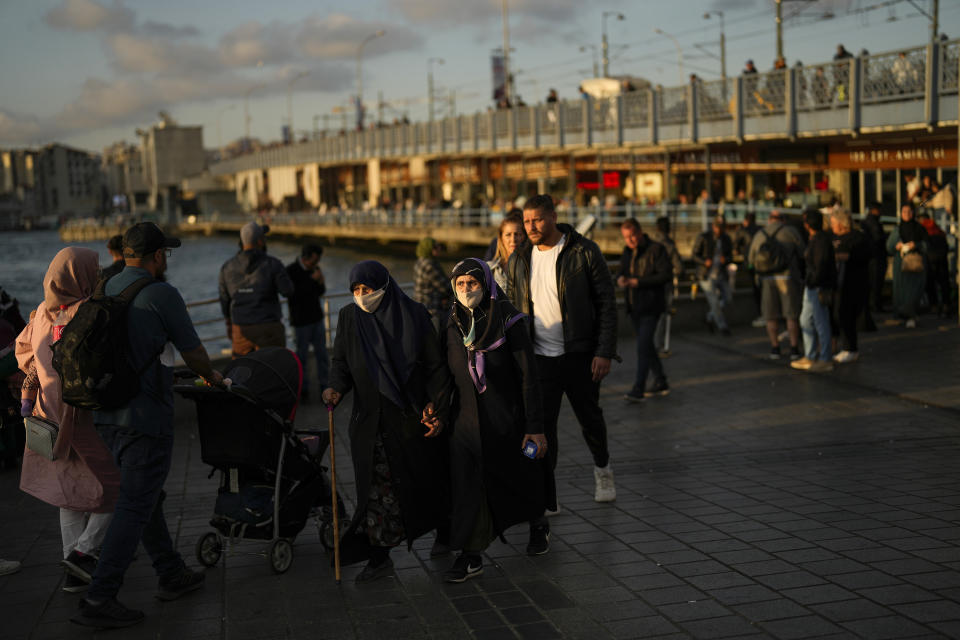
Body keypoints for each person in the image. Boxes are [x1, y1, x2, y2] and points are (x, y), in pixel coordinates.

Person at [74, 222, 224, 628]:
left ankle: (169, 570)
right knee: (136, 503)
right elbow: (193, 352)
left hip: (105, 414)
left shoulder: (103, 287)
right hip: (145, 417)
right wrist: (214, 377)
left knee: (144, 496)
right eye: (165, 254)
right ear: (157, 256)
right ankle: (100, 596)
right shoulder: (161, 293)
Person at [322, 261, 452, 583]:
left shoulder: (414, 315)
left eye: (368, 289)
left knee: (425, 480)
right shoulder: (349, 318)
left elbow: (435, 366)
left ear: (384, 285)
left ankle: (446, 532)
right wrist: (335, 387)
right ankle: (379, 557)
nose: (362, 296)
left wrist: (436, 402)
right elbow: (341, 361)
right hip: (369, 422)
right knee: (375, 492)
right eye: (356, 290)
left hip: (410, 418)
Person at [506, 194, 619, 522]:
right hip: (540, 358)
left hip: (579, 354)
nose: (531, 227)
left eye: (538, 220)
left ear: (553, 217)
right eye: (526, 221)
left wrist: (604, 351)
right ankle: (548, 496)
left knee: (590, 418)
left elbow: (606, 303)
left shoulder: (583, 251)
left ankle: (603, 469)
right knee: (543, 428)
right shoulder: (520, 259)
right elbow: (513, 312)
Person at [14, 248, 121, 595]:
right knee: (118, 487)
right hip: (80, 415)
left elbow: (27, 358)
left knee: (67, 494)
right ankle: (83, 552)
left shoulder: (41, 315)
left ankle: (74, 572)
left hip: (48, 413)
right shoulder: (87, 314)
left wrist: (30, 394)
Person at [441, 259, 548, 582]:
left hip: (506, 418)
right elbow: (444, 373)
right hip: (467, 423)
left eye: (472, 283)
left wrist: (535, 426)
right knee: (469, 484)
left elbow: (529, 376)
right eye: (459, 285)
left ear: (485, 284)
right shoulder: (453, 323)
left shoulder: (509, 320)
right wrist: (434, 409)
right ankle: (471, 554)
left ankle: (538, 522)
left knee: (518, 478)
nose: (465, 290)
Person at [218, 222, 294, 357]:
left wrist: (229, 323)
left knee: (242, 373)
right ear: (260, 241)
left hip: (241, 330)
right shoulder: (272, 264)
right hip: (269, 327)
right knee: (273, 370)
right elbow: (288, 291)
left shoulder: (227, 267)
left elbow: (224, 300)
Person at [617, 219, 672, 402]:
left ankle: (638, 388)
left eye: (632, 235)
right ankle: (661, 380)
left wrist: (638, 282)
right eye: (626, 237)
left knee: (642, 346)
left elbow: (665, 275)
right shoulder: (627, 251)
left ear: (640, 232)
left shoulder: (656, 249)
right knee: (646, 345)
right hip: (634, 307)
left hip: (651, 306)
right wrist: (621, 280)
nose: (630, 240)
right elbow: (621, 271)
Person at [748, 210, 806, 360]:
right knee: (791, 314)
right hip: (787, 277)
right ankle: (794, 348)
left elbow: (751, 260)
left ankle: (775, 348)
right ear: (783, 219)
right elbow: (802, 253)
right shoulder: (790, 232)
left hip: (767, 278)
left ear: (769, 219)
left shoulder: (760, 234)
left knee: (770, 315)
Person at [792, 208, 836, 372]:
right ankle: (810, 355)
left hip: (817, 286)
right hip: (812, 285)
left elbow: (820, 265)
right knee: (806, 320)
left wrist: (812, 281)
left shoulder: (820, 240)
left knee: (820, 321)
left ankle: (825, 358)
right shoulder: (817, 239)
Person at [285, 243, 328, 400]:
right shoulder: (290, 271)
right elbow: (293, 295)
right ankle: (304, 390)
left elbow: (320, 292)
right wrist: (313, 281)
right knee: (301, 358)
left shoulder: (315, 270)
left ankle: (325, 386)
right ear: (306, 257)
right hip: (300, 322)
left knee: (322, 355)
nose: (317, 263)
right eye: (315, 260)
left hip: (316, 318)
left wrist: (320, 281)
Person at [830, 209, 871, 363]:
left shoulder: (857, 237)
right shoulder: (833, 237)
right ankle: (841, 346)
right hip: (837, 282)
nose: (832, 226)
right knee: (837, 314)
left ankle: (850, 348)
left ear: (841, 224)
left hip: (852, 283)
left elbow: (866, 255)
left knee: (847, 315)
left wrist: (845, 256)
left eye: (834, 223)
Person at [887, 204, 928, 328]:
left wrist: (916, 245)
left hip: (916, 265)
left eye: (909, 211)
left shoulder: (920, 229)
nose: (907, 214)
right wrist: (897, 246)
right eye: (904, 211)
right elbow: (889, 247)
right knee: (900, 292)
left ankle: (911, 315)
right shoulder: (897, 230)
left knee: (914, 292)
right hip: (900, 266)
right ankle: (900, 315)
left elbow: (927, 245)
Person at [692, 217, 734, 336]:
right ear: (713, 226)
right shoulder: (704, 237)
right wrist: (704, 261)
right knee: (714, 301)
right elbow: (694, 255)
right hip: (706, 274)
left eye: (721, 228)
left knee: (728, 298)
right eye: (717, 227)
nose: (719, 230)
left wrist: (726, 259)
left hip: (721, 274)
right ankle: (722, 326)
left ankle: (710, 316)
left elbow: (731, 255)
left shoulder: (726, 239)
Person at [648, 217, 682, 355]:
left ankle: (649, 344)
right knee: (662, 316)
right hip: (664, 285)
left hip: (648, 284)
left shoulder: (649, 243)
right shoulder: (669, 245)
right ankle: (657, 345)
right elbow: (679, 268)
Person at [413, 237, 452, 332]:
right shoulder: (430, 265)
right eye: (435, 247)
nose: (439, 249)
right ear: (428, 249)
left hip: (419, 305)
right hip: (431, 308)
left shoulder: (420, 261)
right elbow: (446, 288)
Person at [918, 213, 951, 318]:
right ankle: (946, 305)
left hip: (930, 259)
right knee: (944, 283)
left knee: (931, 283)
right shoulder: (938, 229)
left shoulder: (923, 229)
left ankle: (934, 306)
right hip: (942, 259)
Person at [734, 213, 764, 327]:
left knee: (756, 289)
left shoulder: (742, 230)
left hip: (751, 263)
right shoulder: (761, 229)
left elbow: (736, 246)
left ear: (745, 221)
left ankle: (762, 314)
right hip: (763, 263)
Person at [487, 212, 526, 292]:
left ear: (524, 237)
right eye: (508, 235)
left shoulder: (531, 267)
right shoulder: (490, 269)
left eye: (517, 234)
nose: (513, 239)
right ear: (501, 238)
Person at [861, 202, 888, 313]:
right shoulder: (874, 223)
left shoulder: (867, 222)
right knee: (876, 282)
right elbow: (878, 238)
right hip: (876, 255)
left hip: (871, 256)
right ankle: (876, 305)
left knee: (872, 282)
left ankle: (873, 304)